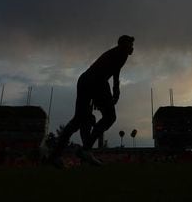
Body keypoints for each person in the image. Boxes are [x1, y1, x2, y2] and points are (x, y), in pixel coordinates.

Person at [49, 35, 134, 167]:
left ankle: (56, 155)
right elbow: (105, 74)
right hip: (94, 82)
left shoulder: (119, 54)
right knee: (110, 117)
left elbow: (115, 72)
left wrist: (115, 90)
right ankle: (85, 150)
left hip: (86, 80)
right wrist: (109, 93)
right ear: (123, 45)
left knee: (78, 120)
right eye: (130, 44)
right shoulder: (121, 54)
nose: (132, 47)